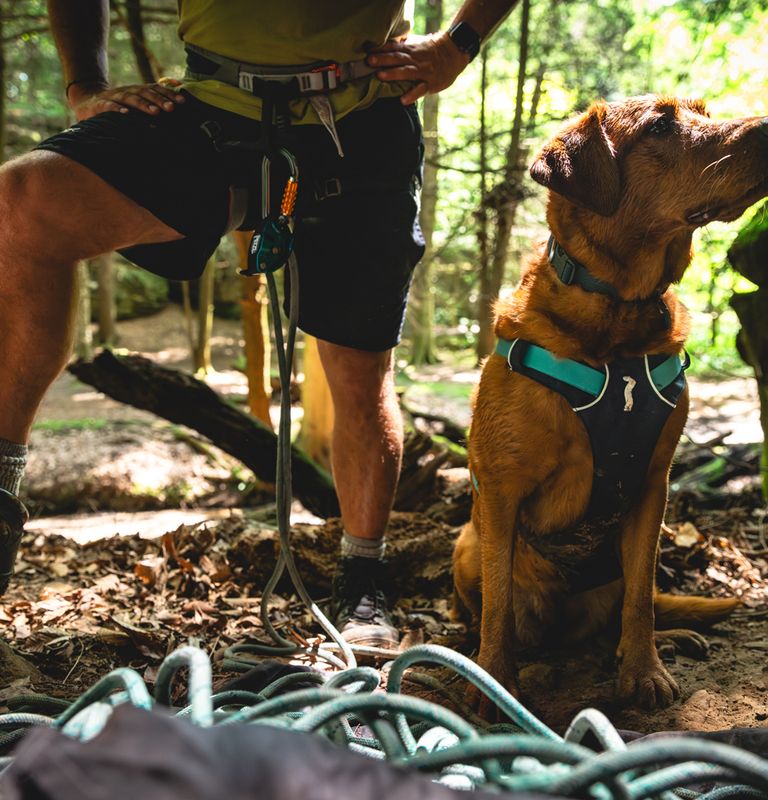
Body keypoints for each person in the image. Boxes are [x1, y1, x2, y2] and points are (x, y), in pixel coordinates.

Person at [0, 0, 516, 647]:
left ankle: (361, 581)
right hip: (204, 109)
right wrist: (86, 86)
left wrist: (458, 43)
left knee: (358, 373)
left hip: (363, 117)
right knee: (22, 203)